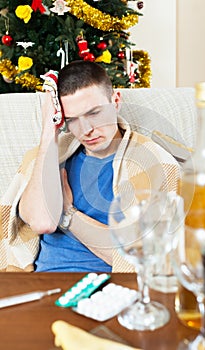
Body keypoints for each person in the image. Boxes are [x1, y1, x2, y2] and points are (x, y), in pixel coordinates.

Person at [1, 61, 180, 272]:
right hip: (40, 282)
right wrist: (49, 131)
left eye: (94, 113)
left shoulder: (153, 163)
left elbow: (143, 256)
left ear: (115, 101)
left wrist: (68, 213)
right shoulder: (47, 157)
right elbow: (42, 223)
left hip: (109, 288)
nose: (86, 130)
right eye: (72, 119)